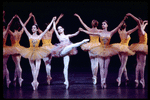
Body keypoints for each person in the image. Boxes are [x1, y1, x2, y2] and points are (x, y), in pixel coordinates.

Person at [79, 15, 127, 88]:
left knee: (106, 67)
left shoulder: (110, 32)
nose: (103, 25)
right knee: (101, 67)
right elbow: (91, 33)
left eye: (104, 24)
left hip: (108, 50)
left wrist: (123, 19)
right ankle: (102, 82)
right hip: (100, 50)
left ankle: (104, 79)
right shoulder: (100, 33)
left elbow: (118, 26)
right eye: (102, 24)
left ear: (107, 25)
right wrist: (83, 30)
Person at [17, 15, 56, 90]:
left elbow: (47, 28)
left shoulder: (40, 36)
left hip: (38, 51)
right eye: (32, 28)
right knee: (32, 68)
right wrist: (19, 19)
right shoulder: (29, 36)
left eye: (34, 28)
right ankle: (34, 80)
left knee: (37, 68)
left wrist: (52, 20)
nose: (33, 29)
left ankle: (35, 80)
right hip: (30, 52)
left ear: (37, 29)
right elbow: (24, 27)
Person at [52, 21, 89, 89]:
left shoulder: (67, 36)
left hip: (67, 52)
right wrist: (54, 21)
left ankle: (66, 81)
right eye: (58, 29)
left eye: (60, 28)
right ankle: (82, 41)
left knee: (66, 67)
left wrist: (79, 31)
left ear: (63, 29)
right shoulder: (58, 36)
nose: (59, 30)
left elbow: (75, 34)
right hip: (62, 51)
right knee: (71, 46)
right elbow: (54, 28)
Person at [32, 13, 64, 85]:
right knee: (48, 64)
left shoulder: (41, 32)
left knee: (46, 63)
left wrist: (33, 18)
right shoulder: (50, 31)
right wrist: (59, 18)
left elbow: (36, 25)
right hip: (50, 48)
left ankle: (48, 77)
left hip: (44, 48)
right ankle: (48, 76)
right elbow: (55, 24)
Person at [74, 13, 101, 84]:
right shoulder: (99, 31)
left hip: (91, 46)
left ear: (93, 24)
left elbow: (83, 23)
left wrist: (79, 16)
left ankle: (94, 77)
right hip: (97, 46)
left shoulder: (89, 29)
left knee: (92, 62)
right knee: (96, 62)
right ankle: (95, 76)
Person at [8, 13, 32, 87]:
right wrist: (29, 17)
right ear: (19, 28)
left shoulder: (11, 33)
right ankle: (15, 79)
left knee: (18, 65)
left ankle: (20, 78)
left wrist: (12, 18)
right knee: (17, 65)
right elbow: (24, 25)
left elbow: (7, 26)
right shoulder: (20, 32)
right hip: (19, 49)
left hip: (14, 49)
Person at [112, 22, 138, 86]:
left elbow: (118, 27)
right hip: (125, 48)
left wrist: (122, 21)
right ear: (126, 26)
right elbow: (135, 28)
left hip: (120, 48)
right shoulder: (127, 32)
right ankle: (119, 78)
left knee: (123, 65)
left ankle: (126, 78)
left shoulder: (120, 32)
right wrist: (140, 23)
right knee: (123, 65)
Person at [126, 13, 148, 88]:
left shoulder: (140, 30)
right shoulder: (141, 29)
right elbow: (139, 22)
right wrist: (131, 15)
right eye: (141, 22)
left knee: (138, 64)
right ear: (140, 23)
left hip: (139, 47)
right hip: (142, 48)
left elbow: (142, 27)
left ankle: (136, 79)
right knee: (142, 64)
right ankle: (142, 79)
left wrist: (145, 23)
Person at [3, 14, 16, 88]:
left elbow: (8, 25)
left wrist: (12, 18)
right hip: (5, 50)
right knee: (5, 66)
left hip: (5, 50)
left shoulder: (5, 32)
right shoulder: (5, 32)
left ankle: (7, 80)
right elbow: (6, 24)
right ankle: (7, 80)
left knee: (4, 66)